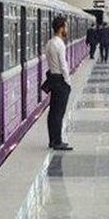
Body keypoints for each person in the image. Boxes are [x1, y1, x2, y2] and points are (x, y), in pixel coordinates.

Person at [44, 17, 73, 150]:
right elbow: (63, 64)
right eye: (65, 27)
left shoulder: (49, 43)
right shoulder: (59, 44)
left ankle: (52, 139)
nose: (66, 29)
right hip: (60, 80)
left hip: (52, 78)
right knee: (59, 113)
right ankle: (58, 141)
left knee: (53, 112)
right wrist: (68, 81)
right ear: (61, 28)